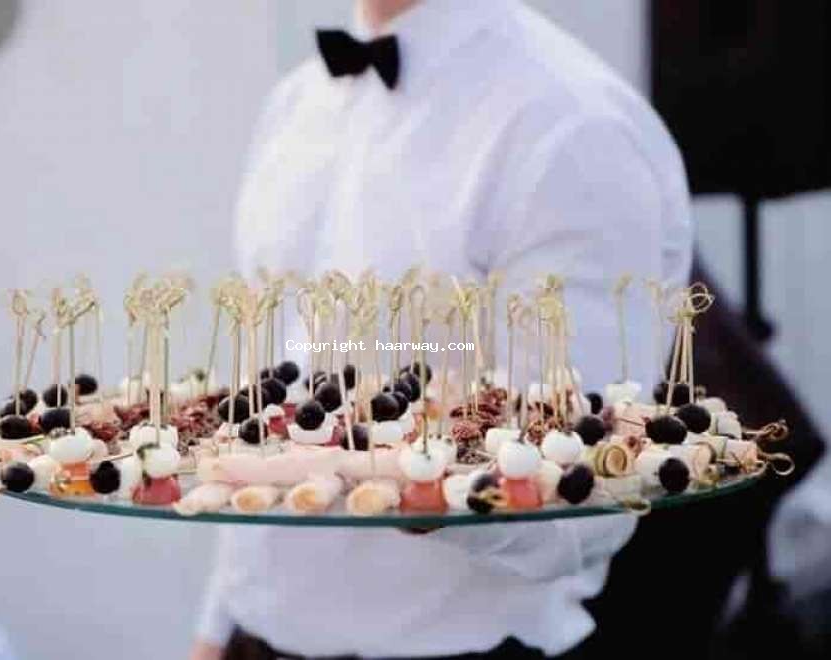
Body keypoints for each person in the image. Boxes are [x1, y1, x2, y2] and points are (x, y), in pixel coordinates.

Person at [191, 1, 691, 658]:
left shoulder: (572, 125)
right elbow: (263, 396)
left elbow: (592, 488)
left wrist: (411, 486)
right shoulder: (293, 105)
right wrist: (216, 625)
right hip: (254, 636)